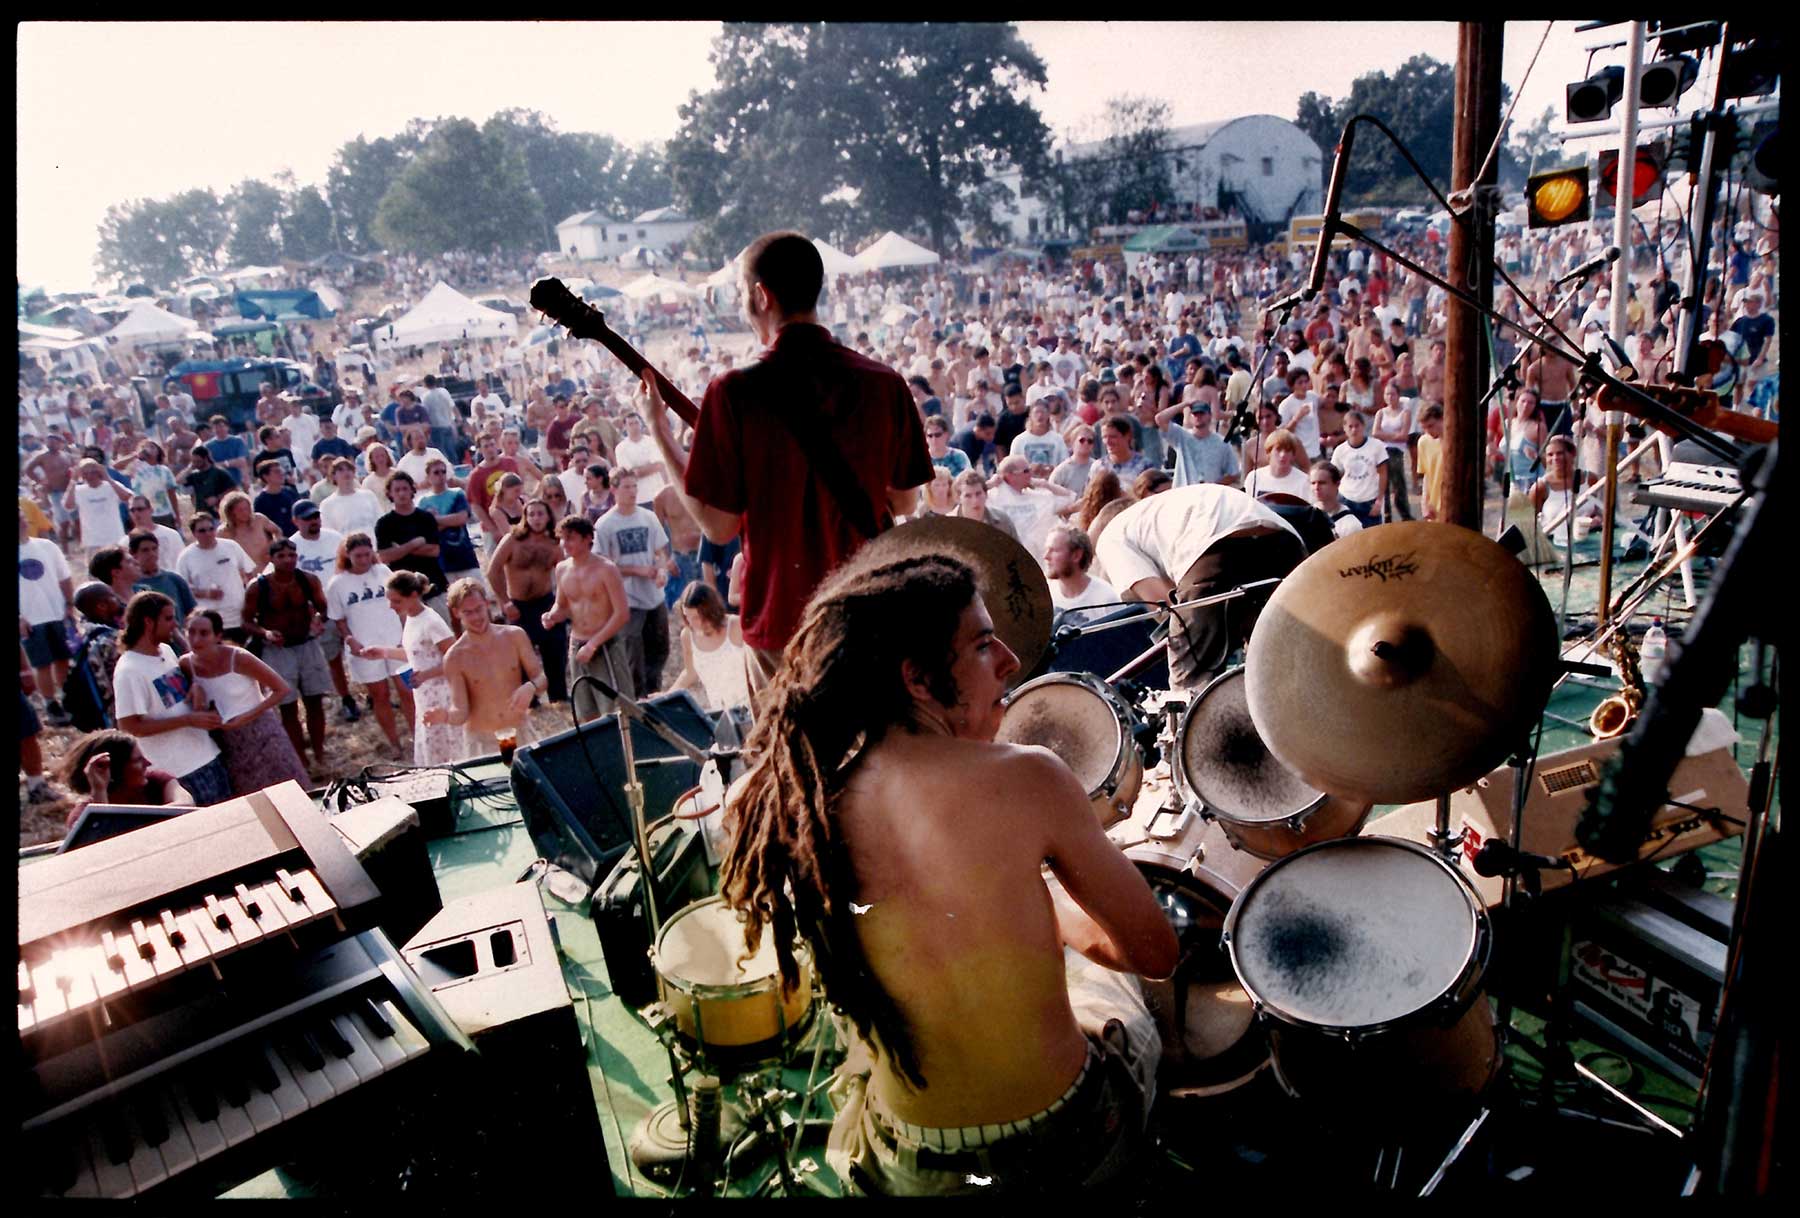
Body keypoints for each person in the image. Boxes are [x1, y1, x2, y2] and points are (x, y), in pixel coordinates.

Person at [720, 550, 1176, 1196]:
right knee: (1118, 998)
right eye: (985, 645)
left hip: (913, 1162)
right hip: (1059, 1147)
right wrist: (1046, 893)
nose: (1012, 664)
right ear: (918, 678)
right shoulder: (1031, 777)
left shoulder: (799, 804)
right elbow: (1154, 950)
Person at [642, 231, 932, 687]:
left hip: (783, 623)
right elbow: (904, 503)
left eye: (742, 293)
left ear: (761, 295)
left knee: (791, 757)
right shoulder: (885, 383)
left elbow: (717, 526)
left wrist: (660, 432)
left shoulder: (733, 392)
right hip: (871, 614)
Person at [1095, 484, 1307, 692]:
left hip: (1214, 544)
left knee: (1189, 681)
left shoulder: (1109, 536)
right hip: (1284, 539)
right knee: (1277, 666)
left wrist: (1183, 640)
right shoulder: (1161, 513)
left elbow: (1162, 603)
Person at [112, 591, 232, 806]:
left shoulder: (166, 651)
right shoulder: (129, 670)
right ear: (148, 622)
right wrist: (187, 720)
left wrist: (194, 686)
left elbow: (176, 694)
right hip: (180, 770)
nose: (174, 624)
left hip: (206, 755)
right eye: (168, 618)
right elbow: (130, 725)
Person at [180, 608, 310, 796]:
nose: (196, 640)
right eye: (191, 632)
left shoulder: (238, 657)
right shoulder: (186, 664)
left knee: (289, 790)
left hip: (261, 732)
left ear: (218, 636)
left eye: (204, 633)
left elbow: (281, 689)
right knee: (253, 797)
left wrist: (246, 718)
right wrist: (195, 687)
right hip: (227, 741)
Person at [422, 579, 547, 761]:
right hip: (483, 743)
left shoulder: (514, 636)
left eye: (479, 609)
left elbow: (541, 679)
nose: (476, 617)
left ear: (487, 604)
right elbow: (461, 711)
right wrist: (446, 716)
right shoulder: (455, 657)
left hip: (520, 732)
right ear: (456, 613)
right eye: (468, 612)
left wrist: (531, 687)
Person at [242, 537, 332, 769]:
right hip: (277, 650)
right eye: (281, 556)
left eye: (291, 555)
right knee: (288, 706)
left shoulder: (307, 580)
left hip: (307, 644)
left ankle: (320, 754)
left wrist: (318, 621)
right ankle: (300, 759)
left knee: (314, 701)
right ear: (271, 559)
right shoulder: (258, 587)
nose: (287, 560)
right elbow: (246, 621)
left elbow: (323, 608)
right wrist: (266, 633)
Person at [326, 532, 413, 758]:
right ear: (348, 555)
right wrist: (350, 640)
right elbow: (339, 619)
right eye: (358, 556)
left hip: (394, 640)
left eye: (367, 554)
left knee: (407, 691)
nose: (364, 560)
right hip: (365, 649)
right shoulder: (337, 583)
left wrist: (407, 631)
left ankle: (418, 736)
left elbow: (401, 603)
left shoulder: (383, 572)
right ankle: (395, 743)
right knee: (380, 695)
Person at [541, 515, 631, 722]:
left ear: (587, 538)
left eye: (570, 538)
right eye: (562, 538)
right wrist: (552, 616)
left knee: (617, 710)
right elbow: (563, 606)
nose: (565, 544)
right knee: (585, 712)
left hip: (605, 646)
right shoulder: (562, 569)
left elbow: (622, 613)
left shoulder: (606, 569)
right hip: (577, 645)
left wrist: (593, 644)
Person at [593, 469, 674, 697]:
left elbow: (660, 550)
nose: (632, 492)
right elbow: (601, 564)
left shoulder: (647, 517)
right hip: (628, 600)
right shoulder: (605, 524)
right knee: (633, 655)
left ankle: (654, 693)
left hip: (654, 597)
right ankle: (638, 699)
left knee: (660, 649)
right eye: (627, 487)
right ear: (614, 489)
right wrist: (634, 570)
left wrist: (661, 570)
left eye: (634, 486)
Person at [374, 570, 462, 766]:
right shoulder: (411, 619)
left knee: (449, 749)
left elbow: (455, 658)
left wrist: (426, 675)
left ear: (413, 596)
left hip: (442, 693)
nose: (391, 606)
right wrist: (383, 652)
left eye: (396, 601)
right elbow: (416, 654)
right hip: (425, 694)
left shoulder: (431, 621)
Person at [489, 498, 569, 703]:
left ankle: (558, 697)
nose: (536, 518)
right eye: (531, 514)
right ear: (525, 517)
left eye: (540, 513)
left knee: (555, 651)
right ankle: (529, 701)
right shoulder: (512, 539)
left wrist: (560, 605)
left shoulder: (554, 543)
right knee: (521, 657)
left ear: (548, 516)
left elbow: (565, 575)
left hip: (545, 603)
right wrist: (505, 601)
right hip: (518, 606)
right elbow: (493, 570)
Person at [290, 500, 361, 723]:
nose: (313, 522)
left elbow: (350, 567)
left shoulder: (335, 538)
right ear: (295, 521)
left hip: (348, 604)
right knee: (333, 659)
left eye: (316, 516)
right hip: (321, 612)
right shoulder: (292, 546)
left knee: (362, 650)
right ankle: (346, 698)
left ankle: (372, 692)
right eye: (307, 518)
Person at [58, 729, 194, 825]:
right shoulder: (82, 817)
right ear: (115, 769)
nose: (148, 763)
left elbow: (186, 806)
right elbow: (103, 837)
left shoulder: (157, 781)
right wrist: (100, 792)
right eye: (138, 760)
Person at [668, 579, 751, 713]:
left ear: (709, 611)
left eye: (696, 617)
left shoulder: (735, 626)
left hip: (749, 708)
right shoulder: (687, 636)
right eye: (687, 616)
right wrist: (666, 696)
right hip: (719, 712)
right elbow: (690, 672)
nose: (690, 622)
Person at [176, 511, 257, 644]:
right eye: (202, 531)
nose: (208, 533)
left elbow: (249, 573)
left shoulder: (231, 546)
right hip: (210, 621)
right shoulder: (186, 557)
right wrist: (206, 593)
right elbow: (182, 589)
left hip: (239, 617)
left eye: (211, 529)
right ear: (194, 533)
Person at [987, 455, 1077, 557]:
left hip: (1033, 558)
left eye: (1030, 469)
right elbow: (967, 498)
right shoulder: (994, 496)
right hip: (1006, 554)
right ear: (1009, 475)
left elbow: (1069, 497)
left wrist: (1045, 484)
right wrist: (989, 484)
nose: (1031, 474)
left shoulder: (1036, 495)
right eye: (1026, 471)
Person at [1531, 435, 1603, 546]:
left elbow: (1598, 511)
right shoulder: (1540, 487)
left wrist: (1596, 520)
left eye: (1560, 453)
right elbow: (1530, 522)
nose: (1555, 458)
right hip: (1555, 544)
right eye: (1550, 455)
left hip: (1589, 541)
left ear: (1573, 453)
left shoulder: (1590, 479)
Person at [1043, 524, 1117, 625]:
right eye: (1046, 550)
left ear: (1076, 555)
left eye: (1054, 550)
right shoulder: (1045, 595)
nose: (1046, 556)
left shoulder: (1106, 598)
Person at [1156, 401, 1239, 489]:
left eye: (1201, 414)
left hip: (1209, 496)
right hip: (1183, 494)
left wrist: (1213, 486)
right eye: (1195, 414)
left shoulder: (1222, 443)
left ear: (1210, 416)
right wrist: (1185, 404)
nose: (1198, 417)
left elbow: (1233, 473)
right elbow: (1160, 419)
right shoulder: (1181, 436)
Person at [1330, 410, 1388, 528]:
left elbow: (1383, 473)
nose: (1354, 430)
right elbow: (1334, 477)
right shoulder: (1340, 451)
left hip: (1369, 500)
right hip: (1347, 499)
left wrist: (1379, 501)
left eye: (1357, 426)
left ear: (1363, 426)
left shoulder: (1376, 446)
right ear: (1344, 428)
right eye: (1350, 426)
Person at [63, 458, 133, 551]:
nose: (90, 476)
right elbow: (68, 506)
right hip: (92, 541)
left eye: (93, 472)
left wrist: (107, 478)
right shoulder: (78, 490)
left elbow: (126, 497)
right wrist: (73, 480)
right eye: (85, 473)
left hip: (115, 538)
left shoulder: (111, 486)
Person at [127, 529, 196, 620]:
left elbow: (192, 612)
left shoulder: (174, 580)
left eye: (154, 548)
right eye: (145, 550)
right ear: (133, 554)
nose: (151, 554)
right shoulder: (131, 585)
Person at [1242, 429, 1313, 501]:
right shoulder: (1253, 477)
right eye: (1278, 450)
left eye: (1287, 450)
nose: (1282, 455)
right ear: (1269, 452)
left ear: (1293, 455)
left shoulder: (1304, 481)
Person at [322, 457, 385, 538]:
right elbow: (329, 534)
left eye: (349, 469)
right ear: (333, 476)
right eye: (341, 470)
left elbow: (380, 521)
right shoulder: (327, 504)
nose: (346, 472)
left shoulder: (368, 496)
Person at [949, 469, 1019, 541]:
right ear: (958, 498)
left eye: (978, 494)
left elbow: (1017, 550)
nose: (975, 501)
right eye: (968, 496)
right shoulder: (948, 526)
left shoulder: (1003, 521)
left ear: (986, 494)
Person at [219, 490, 281, 571]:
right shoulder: (224, 532)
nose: (245, 513)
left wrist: (273, 549)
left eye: (247, 509)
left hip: (267, 571)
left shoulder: (259, 520)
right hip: (244, 576)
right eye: (240, 510)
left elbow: (277, 531)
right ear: (231, 512)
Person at [1307, 460, 1364, 539]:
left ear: (1337, 484)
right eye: (1313, 483)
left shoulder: (1351, 525)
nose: (1316, 487)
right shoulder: (1306, 517)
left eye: (1322, 483)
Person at [181, 445, 237, 517]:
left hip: (217, 514)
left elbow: (233, 489)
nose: (196, 464)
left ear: (205, 459)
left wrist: (217, 498)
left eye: (198, 461)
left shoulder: (219, 472)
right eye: (194, 461)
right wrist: (189, 468)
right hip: (202, 514)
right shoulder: (195, 475)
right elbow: (179, 481)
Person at [253, 460, 302, 536]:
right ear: (266, 476)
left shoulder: (290, 492)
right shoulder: (261, 501)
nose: (281, 474)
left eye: (281, 471)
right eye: (277, 472)